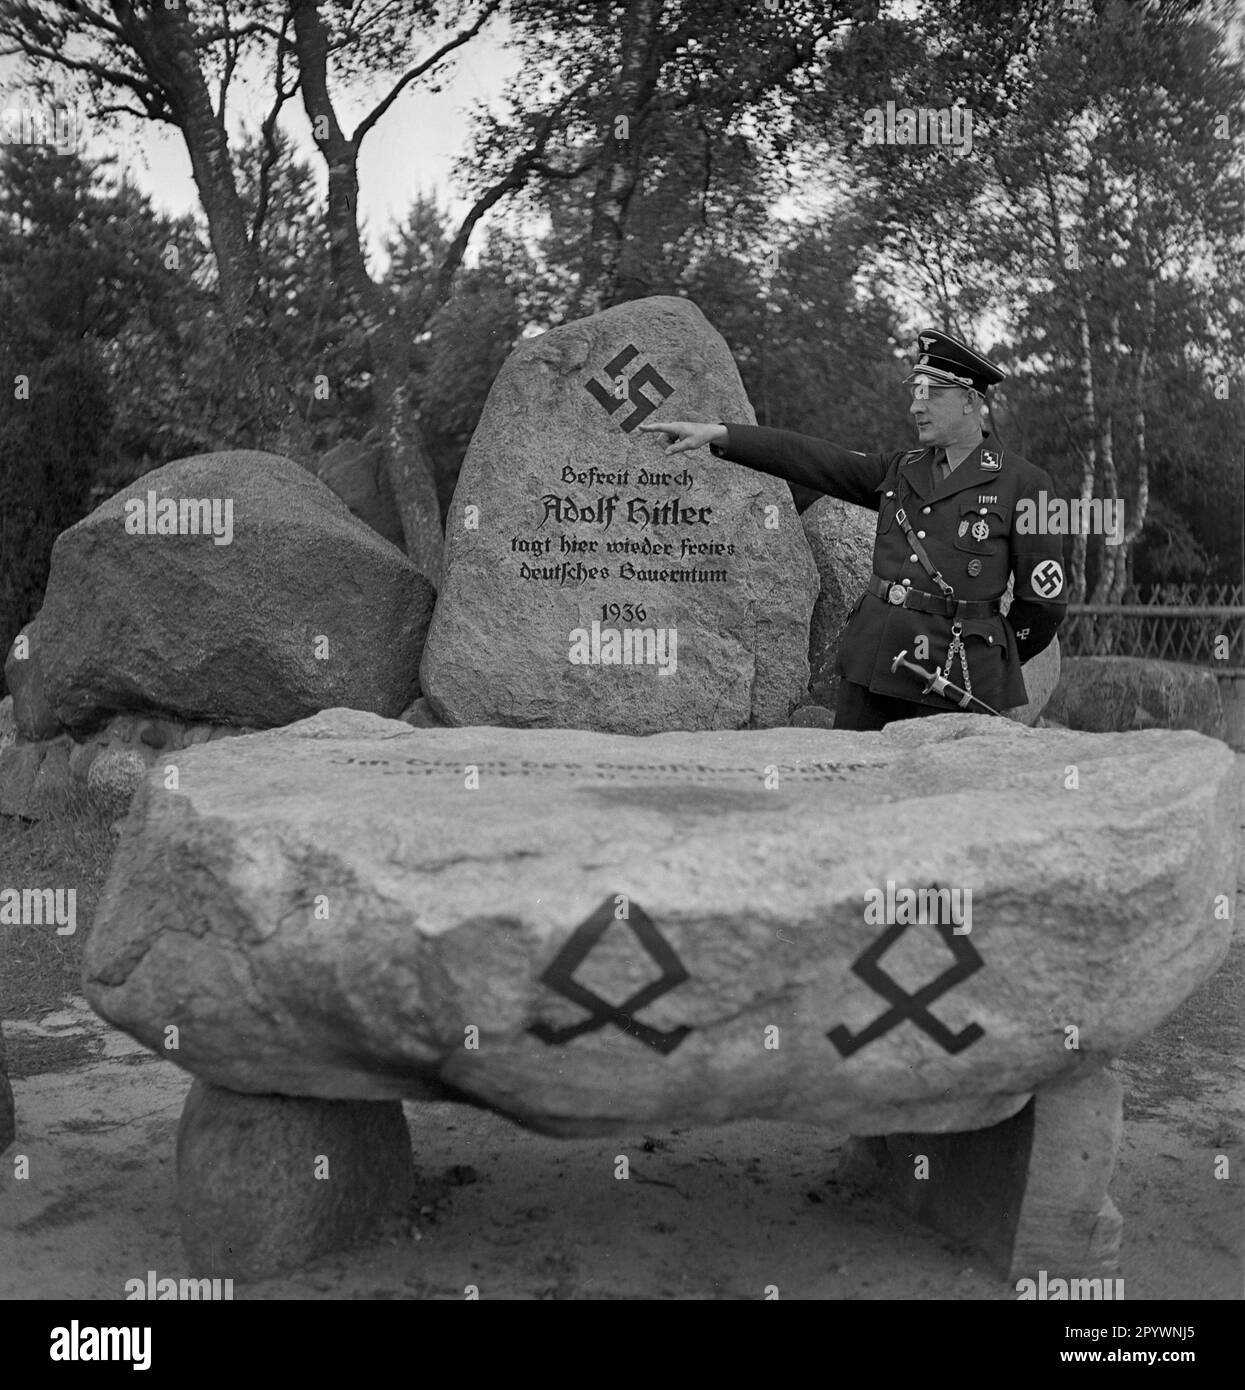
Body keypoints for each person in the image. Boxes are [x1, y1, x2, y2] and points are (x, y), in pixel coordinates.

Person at [638, 329, 1066, 731]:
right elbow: (816, 459)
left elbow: (1043, 605)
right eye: (915, 393)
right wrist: (722, 434)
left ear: (971, 401)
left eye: (931, 394)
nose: (916, 406)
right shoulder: (901, 470)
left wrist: (989, 654)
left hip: (956, 678)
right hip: (873, 669)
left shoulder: (1026, 485)